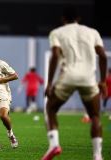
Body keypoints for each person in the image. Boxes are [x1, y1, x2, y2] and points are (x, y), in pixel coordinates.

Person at [42, 6, 107, 160]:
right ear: (79, 18)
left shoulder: (57, 33)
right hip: (89, 79)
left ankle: (54, 145)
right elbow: (103, 56)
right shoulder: (93, 32)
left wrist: (50, 83)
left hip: (67, 77)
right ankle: (97, 156)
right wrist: (103, 81)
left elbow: (55, 56)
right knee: (95, 115)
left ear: (63, 19)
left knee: (50, 109)